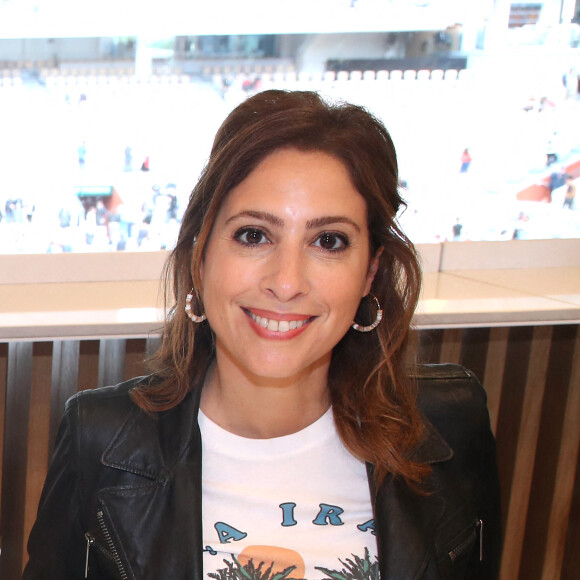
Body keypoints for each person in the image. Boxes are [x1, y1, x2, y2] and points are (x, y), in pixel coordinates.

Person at [24, 90, 501, 579]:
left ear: (370, 273)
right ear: (200, 253)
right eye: (254, 235)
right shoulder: (101, 441)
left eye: (328, 241)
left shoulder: (450, 429)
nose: (287, 282)